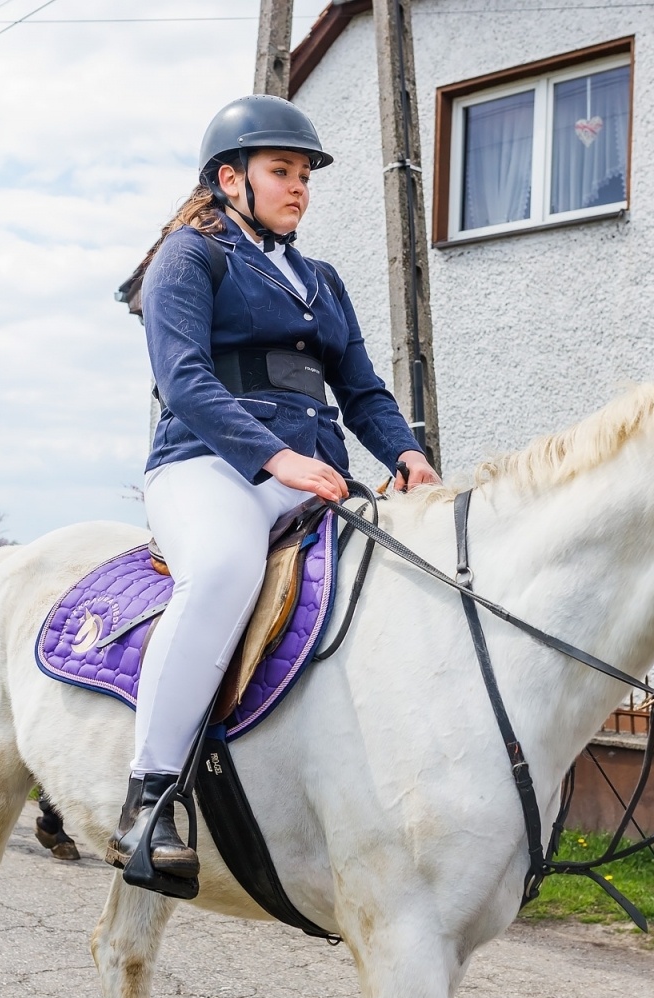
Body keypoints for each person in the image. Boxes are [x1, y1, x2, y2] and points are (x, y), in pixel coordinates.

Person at [106, 96, 441, 890]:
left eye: (305, 175)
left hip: (310, 469)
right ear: (231, 178)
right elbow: (183, 379)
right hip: (206, 466)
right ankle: (149, 798)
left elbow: (361, 390)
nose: (300, 187)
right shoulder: (189, 256)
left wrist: (408, 454)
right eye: (282, 172)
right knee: (223, 568)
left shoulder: (320, 280)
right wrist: (275, 458)